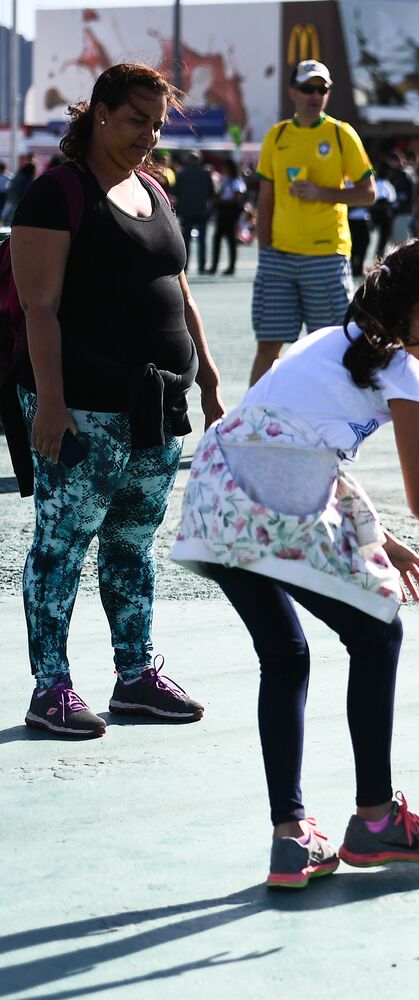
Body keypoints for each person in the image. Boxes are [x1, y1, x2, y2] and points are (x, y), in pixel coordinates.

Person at [170, 238, 419, 888]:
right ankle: (375, 819)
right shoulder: (402, 369)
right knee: (378, 633)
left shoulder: (328, 339)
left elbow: (301, 439)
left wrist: (382, 536)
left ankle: (292, 840)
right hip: (266, 500)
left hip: (215, 491)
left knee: (286, 657)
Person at [5, 62, 225, 737]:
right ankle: (51, 688)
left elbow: (181, 289)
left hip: (156, 406)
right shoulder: (56, 194)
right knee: (62, 543)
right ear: (98, 112)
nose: (148, 135)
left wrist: (210, 377)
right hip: (83, 404)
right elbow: (40, 308)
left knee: (131, 543)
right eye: (136, 120)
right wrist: (49, 403)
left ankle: (134, 677)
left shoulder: (152, 189)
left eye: (157, 124)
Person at [250, 59, 375, 386]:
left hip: (326, 255)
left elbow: (368, 194)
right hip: (279, 256)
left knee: (330, 346)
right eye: (308, 88)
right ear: (293, 91)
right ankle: (253, 421)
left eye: (322, 89)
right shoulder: (276, 136)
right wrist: (266, 252)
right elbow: (266, 201)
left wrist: (323, 192)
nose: (315, 94)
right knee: (268, 346)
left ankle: (329, 419)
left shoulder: (340, 133)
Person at [174, 152, 215, 275]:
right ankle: (202, 265)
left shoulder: (181, 174)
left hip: (186, 210)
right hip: (202, 210)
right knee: (202, 240)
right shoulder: (205, 174)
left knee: (185, 240)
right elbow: (212, 192)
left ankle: (184, 266)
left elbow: (176, 192)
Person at [210, 157, 246, 276]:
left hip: (230, 213)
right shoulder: (224, 180)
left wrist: (220, 202)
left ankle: (231, 266)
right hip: (222, 212)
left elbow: (237, 198)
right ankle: (214, 265)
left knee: (230, 239)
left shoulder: (236, 181)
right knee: (217, 238)